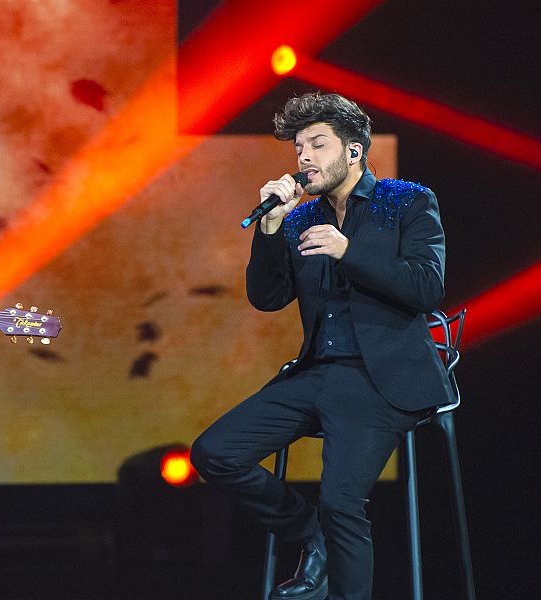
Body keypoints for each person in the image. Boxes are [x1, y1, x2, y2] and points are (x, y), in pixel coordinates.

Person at [190, 92, 453, 600]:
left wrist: (348, 252)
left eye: (317, 144)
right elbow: (267, 299)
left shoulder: (407, 202)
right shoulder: (299, 218)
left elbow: (427, 287)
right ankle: (311, 536)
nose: (304, 157)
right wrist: (268, 231)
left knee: (342, 503)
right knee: (215, 453)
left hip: (381, 377)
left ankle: (333, 554)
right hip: (317, 373)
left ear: (352, 151)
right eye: (298, 149)